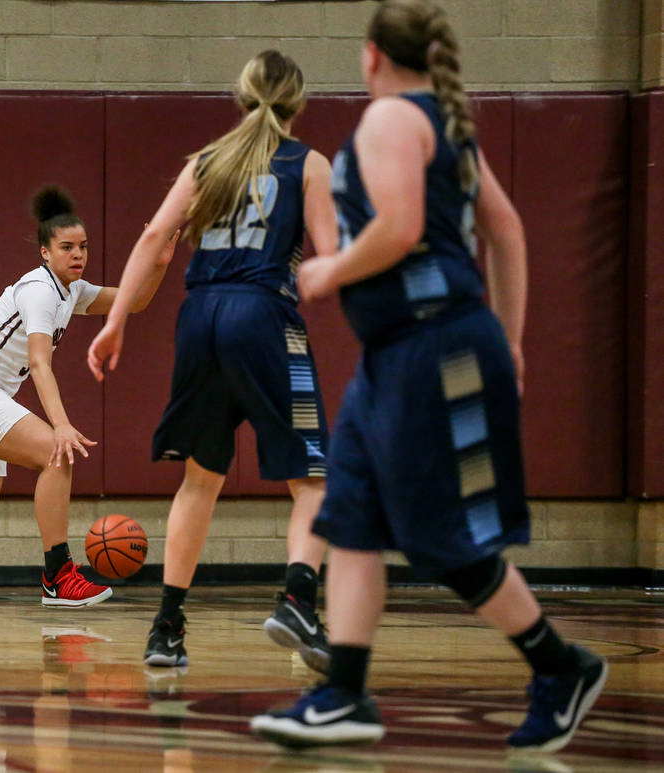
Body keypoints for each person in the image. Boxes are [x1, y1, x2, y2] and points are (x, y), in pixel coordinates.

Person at [250, 0, 606, 752]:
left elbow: (401, 226)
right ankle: (346, 694)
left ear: (373, 55)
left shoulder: (390, 118)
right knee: (348, 517)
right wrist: (511, 342)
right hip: (399, 354)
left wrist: (330, 270)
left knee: (441, 537)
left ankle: (560, 666)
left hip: (431, 347)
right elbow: (507, 233)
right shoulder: (444, 125)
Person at [88, 50, 338, 670]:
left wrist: (116, 321)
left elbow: (154, 237)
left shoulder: (205, 162)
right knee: (314, 478)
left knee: (200, 478)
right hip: (263, 316)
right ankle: (298, 601)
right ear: (298, 103)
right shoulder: (307, 164)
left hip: (199, 318)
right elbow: (330, 258)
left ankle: (166, 628)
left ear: (241, 96)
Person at [0, 186, 177, 610]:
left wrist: (157, 264)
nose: (77, 255)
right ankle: (58, 577)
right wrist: (61, 425)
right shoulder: (39, 290)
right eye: (67, 248)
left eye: (83, 246)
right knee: (55, 454)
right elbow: (40, 363)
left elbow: (134, 302)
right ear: (45, 252)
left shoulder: (71, 290)